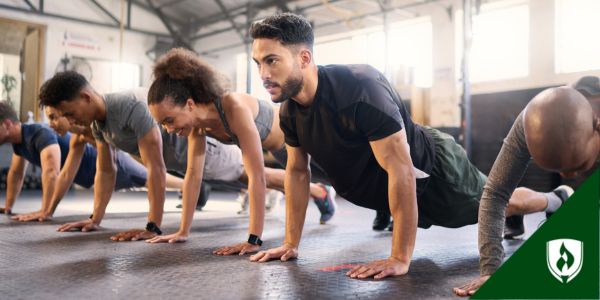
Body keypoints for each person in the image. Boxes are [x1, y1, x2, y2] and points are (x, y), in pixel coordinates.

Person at [246, 13, 567, 280]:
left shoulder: (360, 88)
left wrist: (399, 257)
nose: (263, 74)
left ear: (304, 58)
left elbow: (402, 169)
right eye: (258, 62)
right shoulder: (289, 111)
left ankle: (555, 199)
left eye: (271, 60)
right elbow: (297, 173)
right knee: (492, 208)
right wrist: (291, 242)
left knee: (495, 204)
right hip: (396, 189)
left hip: (436, 175)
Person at [454, 77, 600, 296]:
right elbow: (494, 195)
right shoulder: (530, 122)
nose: (568, 175)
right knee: (508, 200)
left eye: (577, 165)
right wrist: (490, 271)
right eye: (559, 170)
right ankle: (559, 199)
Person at [0, 102, 171, 219]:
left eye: (54, 117)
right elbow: (17, 174)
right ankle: (191, 186)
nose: (51, 123)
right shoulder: (21, 143)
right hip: (94, 173)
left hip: (111, 161)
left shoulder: (40, 133)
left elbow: (52, 171)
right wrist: (10, 207)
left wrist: (45, 211)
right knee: (153, 178)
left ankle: (192, 186)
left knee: (155, 178)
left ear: (7, 124)